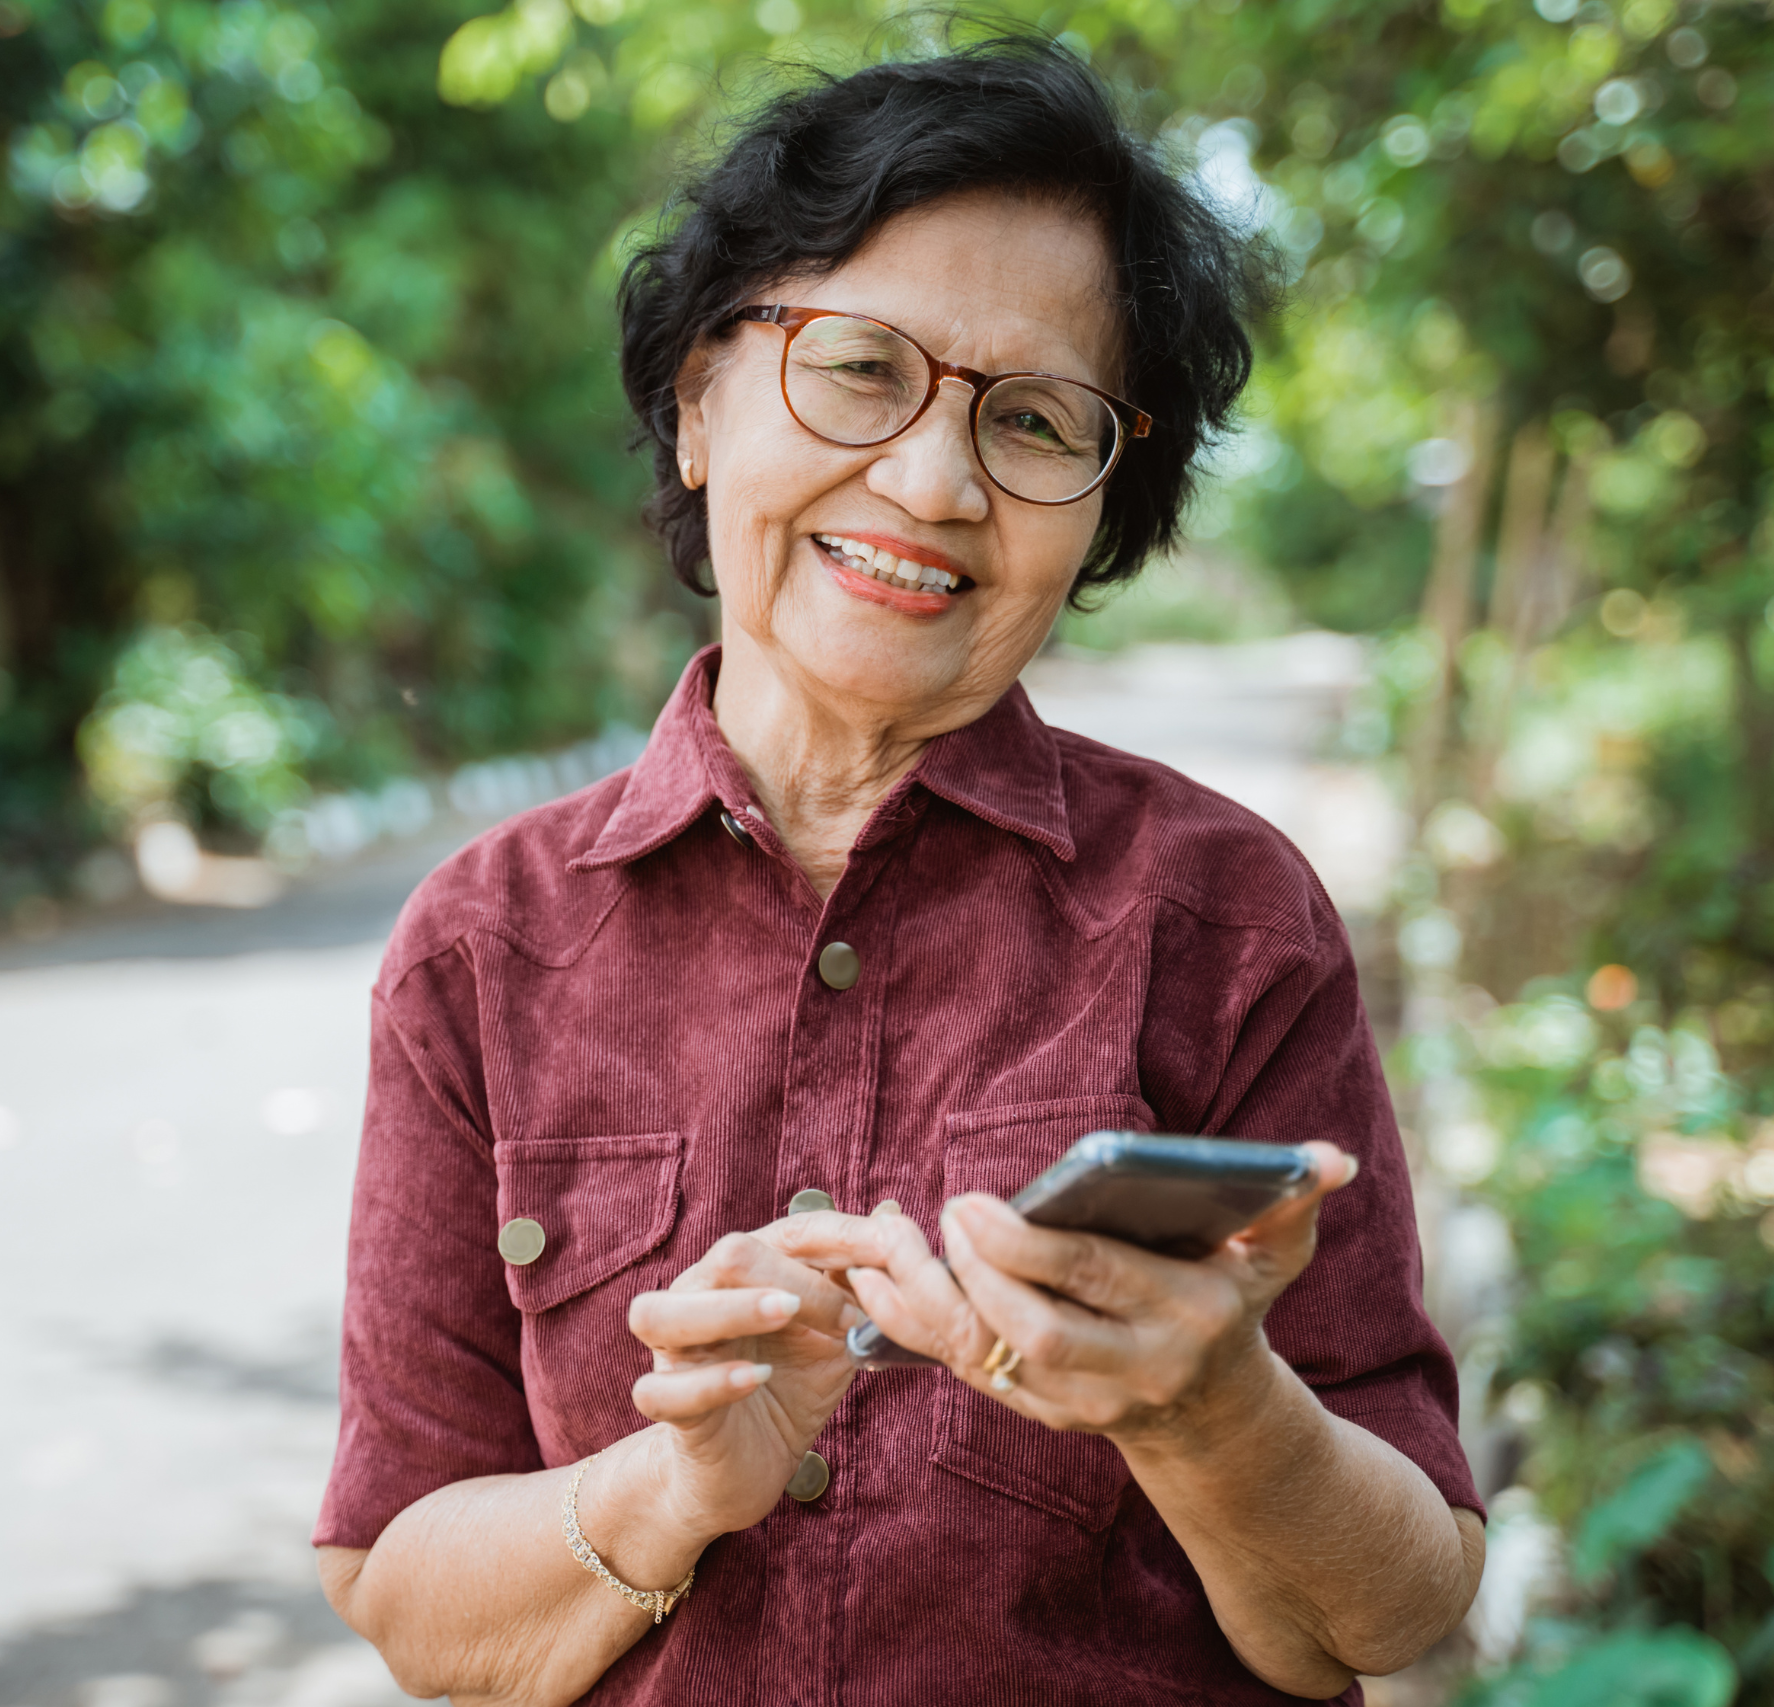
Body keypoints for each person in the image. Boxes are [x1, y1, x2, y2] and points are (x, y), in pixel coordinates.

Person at [314, 35, 1485, 1706]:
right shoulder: (484, 944)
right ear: (701, 399)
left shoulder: (1227, 919)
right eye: (859, 370)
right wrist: (671, 1486)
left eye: (1030, 420)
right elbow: (411, 1596)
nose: (932, 484)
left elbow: (1396, 1608)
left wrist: (1209, 1409)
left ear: (1107, 509)